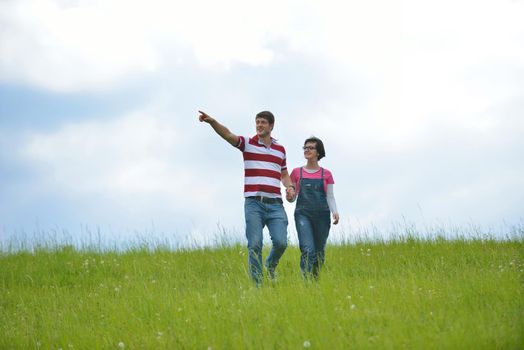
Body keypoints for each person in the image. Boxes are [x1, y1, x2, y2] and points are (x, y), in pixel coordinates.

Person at [198, 110, 295, 285]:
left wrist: (289, 187)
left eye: (263, 122)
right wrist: (213, 122)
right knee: (255, 245)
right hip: (254, 204)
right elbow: (227, 135)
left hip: (276, 205)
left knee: (281, 242)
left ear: (271, 126)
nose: (259, 125)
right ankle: (258, 285)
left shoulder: (280, 150)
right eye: (257, 122)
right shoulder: (248, 144)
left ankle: (270, 266)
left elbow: (284, 173)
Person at [286, 136, 339, 279]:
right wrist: (289, 196)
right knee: (308, 249)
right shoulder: (297, 173)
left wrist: (335, 212)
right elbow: (293, 197)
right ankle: (306, 281)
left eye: (311, 148)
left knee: (319, 250)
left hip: (322, 215)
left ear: (318, 152)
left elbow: (330, 196)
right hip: (303, 214)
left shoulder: (326, 174)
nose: (307, 150)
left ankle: (315, 278)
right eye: (305, 147)